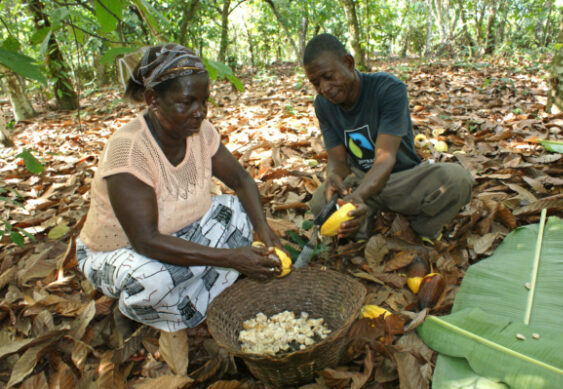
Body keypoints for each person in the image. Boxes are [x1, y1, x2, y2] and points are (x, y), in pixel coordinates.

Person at [76, 44, 283, 332]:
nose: (199, 113)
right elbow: (145, 240)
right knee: (154, 280)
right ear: (153, 99)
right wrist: (229, 258)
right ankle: (135, 309)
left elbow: (240, 180)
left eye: (204, 101)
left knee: (240, 212)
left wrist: (264, 230)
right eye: (186, 102)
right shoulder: (130, 149)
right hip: (120, 250)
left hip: (182, 232)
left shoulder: (201, 131)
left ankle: (190, 287)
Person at [303, 34, 473, 242]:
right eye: (315, 83)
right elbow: (337, 160)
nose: (324, 88)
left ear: (348, 63)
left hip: (400, 178)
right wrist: (333, 178)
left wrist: (358, 197)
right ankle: (362, 225)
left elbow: (386, 158)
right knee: (320, 205)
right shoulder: (323, 104)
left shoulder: (388, 89)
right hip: (359, 179)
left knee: (456, 181)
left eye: (328, 76)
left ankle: (419, 232)